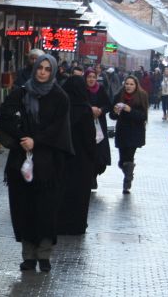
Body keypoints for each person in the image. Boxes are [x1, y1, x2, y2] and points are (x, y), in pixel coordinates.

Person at [0, 54, 72, 273]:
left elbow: (59, 129)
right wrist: (22, 137)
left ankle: (44, 256)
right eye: (40, 68)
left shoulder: (60, 97)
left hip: (48, 164)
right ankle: (28, 256)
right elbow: (4, 116)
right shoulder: (22, 92)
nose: (43, 72)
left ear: (53, 72)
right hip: (22, 161)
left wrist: (36, 141)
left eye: (48, 69)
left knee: (46, 211)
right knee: (24, 209)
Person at [57, 75, 96, 235]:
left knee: (61, 192)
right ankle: (77, 225)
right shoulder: (85, 110)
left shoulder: (61, 107)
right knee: (79, 195)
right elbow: (89, 139)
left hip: (63, 157)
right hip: (82, 161)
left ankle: (59, 223)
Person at [109, 75, 149, 194]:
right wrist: (115, 112)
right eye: (127, 84)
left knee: (129, 156)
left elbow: (143, 116)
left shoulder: (142, 96)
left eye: (131, 84)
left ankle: (127, 182)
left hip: (135, 132)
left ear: (136, 85)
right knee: (122, 161)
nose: (129, 86)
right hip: (122, 131)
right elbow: (112, 115)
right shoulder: (119, 96)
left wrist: (129, 110)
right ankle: (128, 172)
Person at [84, 68, 112, 187]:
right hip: (85, 124)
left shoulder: (100, 89)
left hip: (99, 125)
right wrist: (89, 109)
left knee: (99, 153)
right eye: (89, 77)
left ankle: (94, 175)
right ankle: (88, 177)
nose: (91, 79)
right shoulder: (82, 89)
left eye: (93, 77)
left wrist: (100, 110)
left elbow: (108, 105)